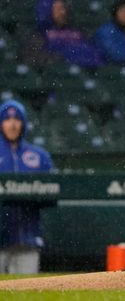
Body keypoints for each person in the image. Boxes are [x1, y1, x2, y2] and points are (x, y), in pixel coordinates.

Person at [0, 100, 54, 274]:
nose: (12, 124)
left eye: (17, 119)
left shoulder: (39, 156)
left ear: (23, 123)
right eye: (7, 119)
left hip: (27, 240)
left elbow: (52, 193)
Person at [22, 0, 104, 70]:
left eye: (63, 8)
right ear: (47, 11)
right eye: (58, 9)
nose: (63, 12)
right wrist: (61, 58)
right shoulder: (39, 35)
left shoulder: (77, 32)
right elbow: (31, 59)